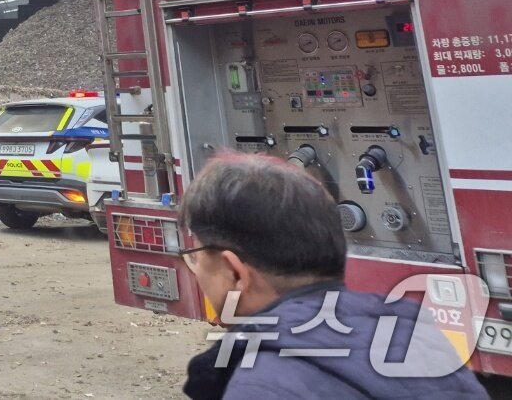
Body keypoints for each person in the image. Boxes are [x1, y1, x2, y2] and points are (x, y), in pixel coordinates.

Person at [178, 153, 487, 400]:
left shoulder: (265, 384)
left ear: (235, 273)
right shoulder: (414, 337)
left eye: (196, 257)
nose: (196, 270)